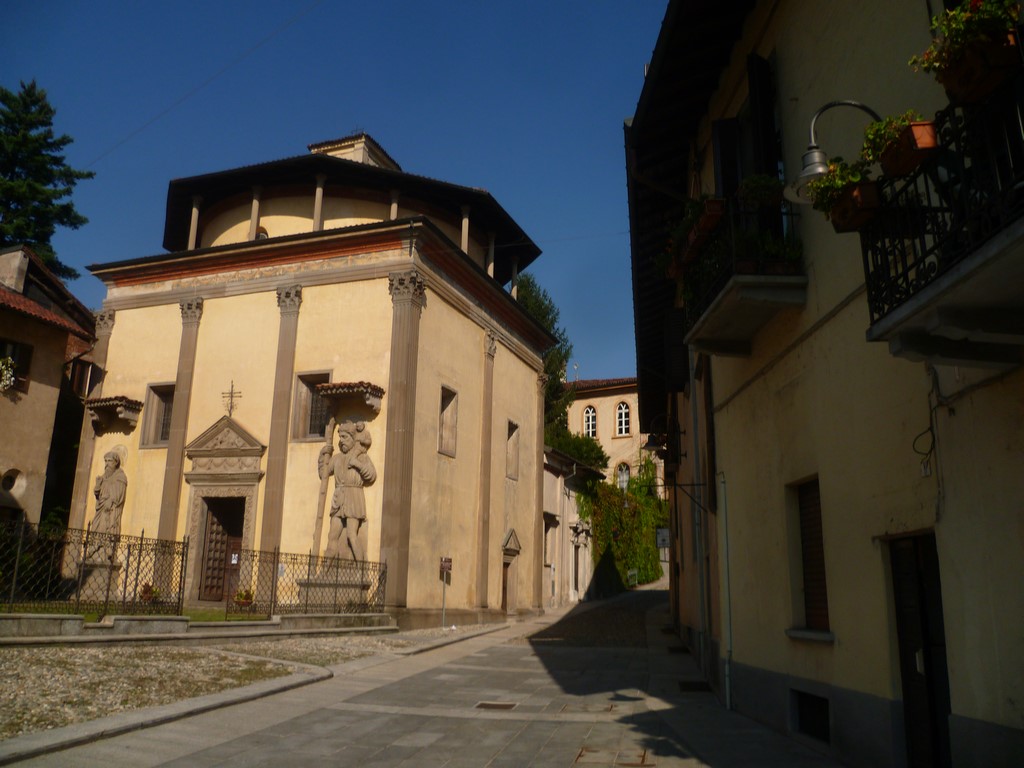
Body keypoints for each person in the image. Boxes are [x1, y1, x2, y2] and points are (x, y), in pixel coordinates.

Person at [320, 421, 376, 561]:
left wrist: (356, 464)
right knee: (332, 536)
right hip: (339, 498)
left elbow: (371, 475)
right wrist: (323, 455)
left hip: (354, 498)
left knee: (352, 535)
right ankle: (324, 573)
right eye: (340, 438)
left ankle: (360, 571)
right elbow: (324, 474)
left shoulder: (361, 457)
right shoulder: (337, 459)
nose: (341, 441)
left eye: (345, 437)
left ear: (353, 439)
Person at [89, 448, 127, 559]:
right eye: (105, 461)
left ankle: (108, 550)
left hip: (111, 509)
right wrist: (97, 485)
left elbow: (120, 494)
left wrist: (111, 500)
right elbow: (97, 494)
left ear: (116, 462)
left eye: (109, 461)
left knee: (109, 527)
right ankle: (94, 549)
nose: (106, 464)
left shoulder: (120, 477)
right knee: (97, 527)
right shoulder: (103, 477)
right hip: (101, 508)